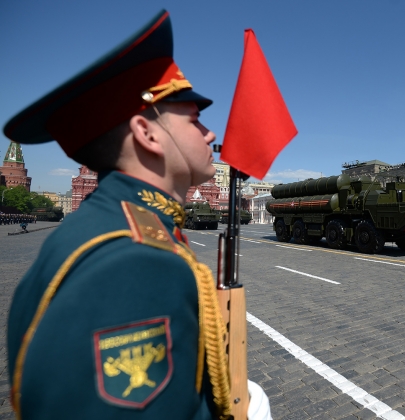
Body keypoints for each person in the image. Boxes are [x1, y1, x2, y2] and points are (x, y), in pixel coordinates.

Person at [4, 10, 268, 420]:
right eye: (195, 120)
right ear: (147, 134)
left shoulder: (114, 225)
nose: (210, 134)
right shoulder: (135, 262)